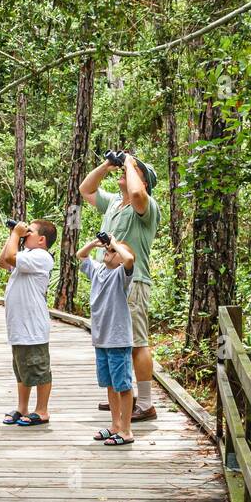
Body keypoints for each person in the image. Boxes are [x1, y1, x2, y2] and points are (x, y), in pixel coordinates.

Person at [78, 151, 161, 423]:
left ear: (142, 180)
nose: (123, 174)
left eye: (129, 172)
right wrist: (108, 164)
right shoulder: (114, 202)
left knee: (136, 342)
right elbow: (86, 189)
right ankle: (126, 394)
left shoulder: (147, 206)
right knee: (116, 342)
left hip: (132, 281)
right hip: (107, 282)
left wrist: (130, 162)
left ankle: (146, 403)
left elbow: (137, 196)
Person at [77, 233, 136, 445]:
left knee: (123, 385)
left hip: (118, 339)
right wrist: (96, 243)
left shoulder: (122, 274)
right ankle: (115, 425)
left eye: (112, 252)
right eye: (107, 250)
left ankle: (127, 430)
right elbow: (80, 255)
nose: (108, 253)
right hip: (101, 338)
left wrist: (115, 244)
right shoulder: (98, 270)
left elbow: (129, 260)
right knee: (110, 384)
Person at [0, 218, 57, 426]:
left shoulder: (42, 256)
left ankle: (42, 411)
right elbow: (3, 261)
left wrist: (15, 235)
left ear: (41, 240)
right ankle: (22, 408)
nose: (24, 234)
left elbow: (11, 257)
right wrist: (13, 233)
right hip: (19, 325)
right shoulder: (28, 254)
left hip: (33, 325)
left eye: (28, 232)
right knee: (21, 369)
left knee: (39, 369)